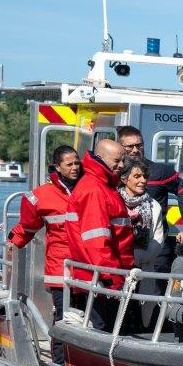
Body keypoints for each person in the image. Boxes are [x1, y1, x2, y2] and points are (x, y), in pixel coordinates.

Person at [7, 145, 82, 366]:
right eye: (69, 164)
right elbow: (29, 226)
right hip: (60, 268)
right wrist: (15, 241)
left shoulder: (88, 188)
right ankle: (61, 364)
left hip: (87, 266)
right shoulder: (42, 196)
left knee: (83, 318)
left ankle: (80, 364)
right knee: (62, 317)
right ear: (57, 167)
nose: (75, 167)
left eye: (77, 162)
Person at [64, 139, 134, 331]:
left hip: (103, 276)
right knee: (104, 331)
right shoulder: (95, 189)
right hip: (101, 281)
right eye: (117, 160)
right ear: (101, 158)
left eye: (123, 161)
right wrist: (112, 279)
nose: (121, 165)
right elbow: (97, 240)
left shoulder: (102, 186)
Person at [117, 126, 180, 272]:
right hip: (123, 249)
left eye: (139, 145)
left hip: (157, 247)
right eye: (129, 146)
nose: (135, 150)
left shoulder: (161, 171)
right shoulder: (114, 173)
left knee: (153, 293)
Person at [117, 157, 165, 329]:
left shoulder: (154, 206)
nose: (143, 180)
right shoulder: (114, 201)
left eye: (144, 176)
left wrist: (138, 257)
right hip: (119, 269)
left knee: (141, 315)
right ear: (124, 179)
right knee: (118, 314)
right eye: (137, 176)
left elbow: (158, 239)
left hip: (144, 267)